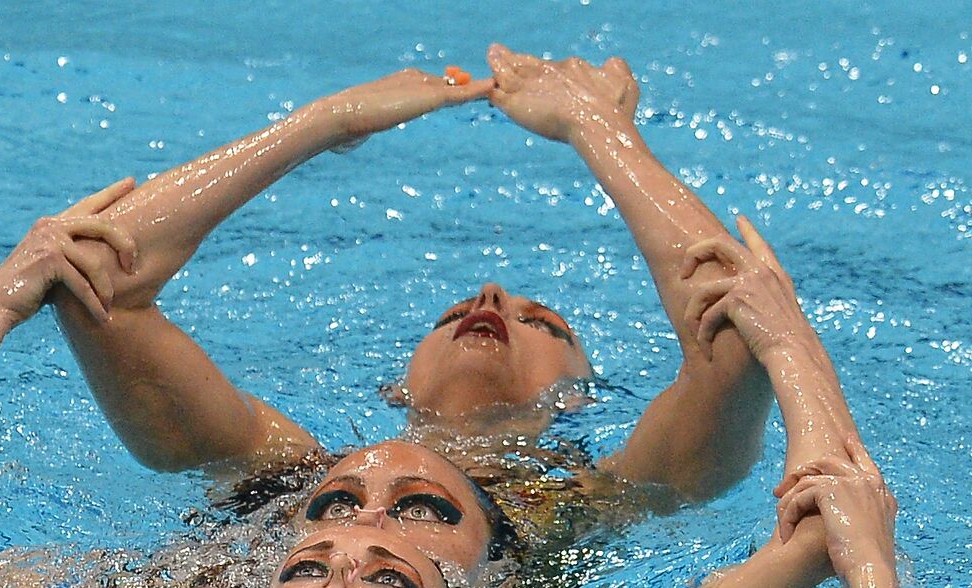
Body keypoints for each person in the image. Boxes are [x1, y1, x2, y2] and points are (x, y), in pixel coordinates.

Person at [51, 48, 772, 510]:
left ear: (578, 397)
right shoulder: (287, 473)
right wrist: (324, 124)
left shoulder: (600, 504)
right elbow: (96, 278)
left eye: (542, 321)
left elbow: (747, 329)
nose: (490, 299)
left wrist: (600, 131)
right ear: (397, 387)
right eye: (454, 309)